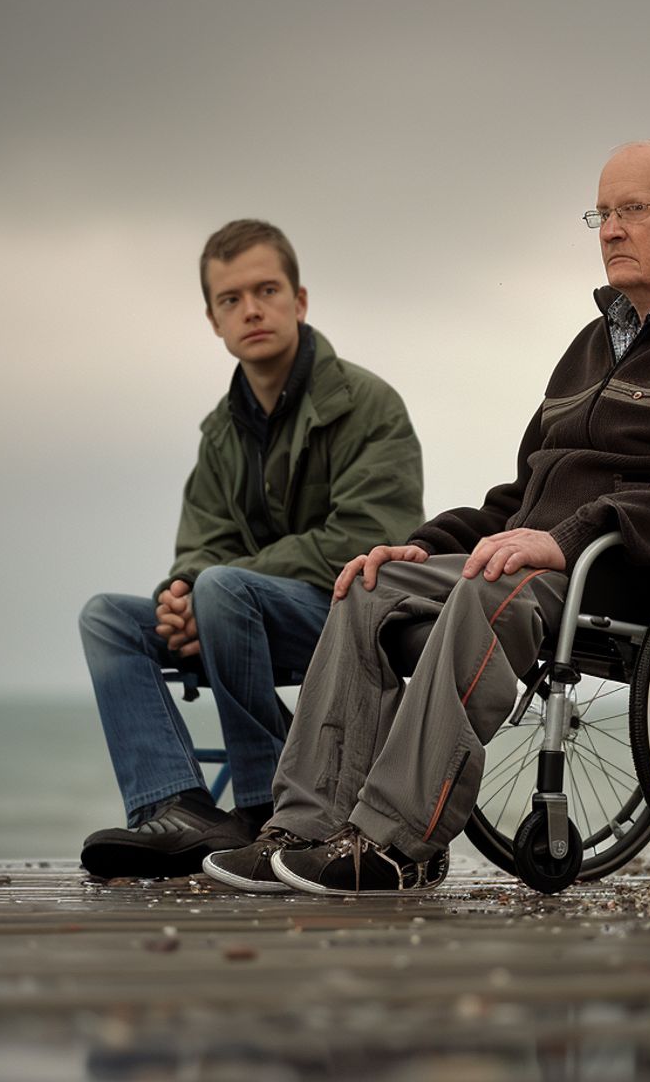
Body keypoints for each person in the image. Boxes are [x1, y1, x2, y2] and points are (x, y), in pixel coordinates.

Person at [203, 140, 650, 896]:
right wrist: (420, 546)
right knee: (366, 588)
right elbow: (522, 497)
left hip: (644, 571)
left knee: (489, 592)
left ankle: (396, 844)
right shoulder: (591, 347)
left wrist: (567, 538)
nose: (611, 230)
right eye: (603, 213)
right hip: (551, 560)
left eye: (633, 211)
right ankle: (306, 825)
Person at [78, 219, 424, 879]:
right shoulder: (221, 429)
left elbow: (363, 540)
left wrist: (213, 587)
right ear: (213, 320)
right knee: (108, 617)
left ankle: (270, 808)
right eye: (231, 299)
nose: (252, 310)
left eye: (266, 290)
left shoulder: (369, 405)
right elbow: (202, 542)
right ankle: (176, 809)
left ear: (300, 300)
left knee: (221, 589)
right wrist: (177, 599)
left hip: (350, 615)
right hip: (237, 615)